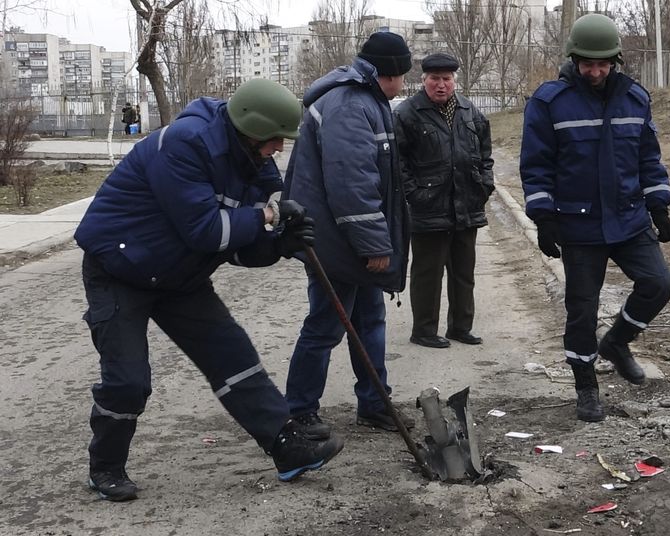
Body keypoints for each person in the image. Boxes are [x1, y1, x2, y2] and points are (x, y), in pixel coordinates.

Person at [74, 78, 343, 502]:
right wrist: (270, 217)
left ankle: (288, 447)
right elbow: (206, 231)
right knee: (128, 381)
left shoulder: (255, 162)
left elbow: (241, 247)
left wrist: (279, 243)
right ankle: (105, 466)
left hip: (180, 276)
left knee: (232, 354)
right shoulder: (185, 144)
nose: (279, 148)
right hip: (118, 270)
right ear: (250, 128)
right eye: (275, 140)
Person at [519, 13, 670, 422]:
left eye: (603, 63)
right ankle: (586, 386)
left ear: (615, 60)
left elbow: (648, 157)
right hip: (579, 225)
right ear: (574, 58)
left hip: (629, 218)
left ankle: (619, 341)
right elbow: (536, 165)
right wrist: (544, 217)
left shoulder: (635, 98)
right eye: (587, 63)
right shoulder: (549, 101)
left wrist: (659, 204)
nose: (595, 70)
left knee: (658, 284)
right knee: (582, 310)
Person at [282, 31, 414, 438]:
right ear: (385, 72)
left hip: (343, 240)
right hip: (337, 244)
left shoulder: (365, 101)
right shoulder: (350, 105)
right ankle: (299, 412)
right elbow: (351, 184)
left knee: (369, 319)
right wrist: (374, 245)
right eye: (402, 76)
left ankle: (375, 403)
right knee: (324, 326)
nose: (404, 85)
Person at [394, 52, 494, 349]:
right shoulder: (407, 114)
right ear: (423, 80)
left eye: (446, 79)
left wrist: (484, 186)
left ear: (454, 81)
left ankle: (460, 327)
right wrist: (415, 194)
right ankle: (424, 330)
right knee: (428, 273)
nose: (441, 85)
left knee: (464, 272)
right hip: (428, 207)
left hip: (466, 205)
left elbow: (485, 154)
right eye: (434, 79)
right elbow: (397, 164)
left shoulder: (469, 111)